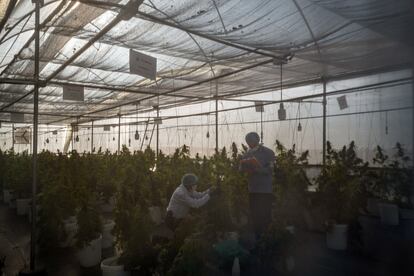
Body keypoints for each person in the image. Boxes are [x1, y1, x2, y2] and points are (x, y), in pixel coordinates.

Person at [240, 132, 275, 239]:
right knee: (255, 215)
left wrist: (257, 169)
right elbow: (241, 169)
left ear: (257, 140)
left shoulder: (268, 153)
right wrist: (243, 168)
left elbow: (271, 169)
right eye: (248, 142)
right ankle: (258, 238)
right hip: (253, 189)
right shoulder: (247, 154)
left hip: (265, 190)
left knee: (265, 214)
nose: (250, 144)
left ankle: (267, 238)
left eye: (251, 141)